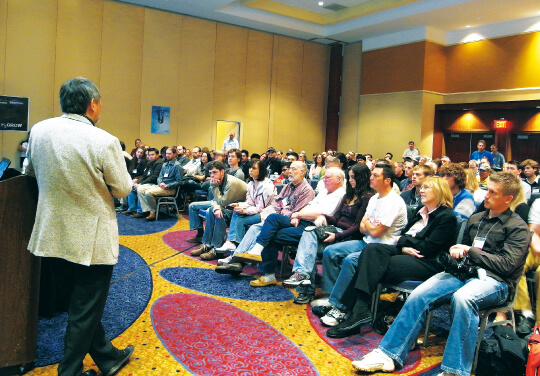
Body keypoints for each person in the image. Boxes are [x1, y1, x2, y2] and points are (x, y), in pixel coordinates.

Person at [352, 172, 530, 376]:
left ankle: (455, 370)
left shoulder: (517, 227)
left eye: (492, 192)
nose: (485, 195)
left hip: (495, 281)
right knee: (420, 294)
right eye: (486, 189)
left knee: (463, 298)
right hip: (464, 272)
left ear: (508, 198)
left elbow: (507, 265)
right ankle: (388, 355)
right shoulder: (477, 218)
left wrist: (470, 251)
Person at [25, 77, 134, 376]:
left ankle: (108, 357)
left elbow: (29, 172)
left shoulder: (39, 130)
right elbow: (123, 189)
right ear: (93, 104)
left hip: (51, 233)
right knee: (84, 307)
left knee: (82, 303)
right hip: (91, 239)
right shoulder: (104, 140)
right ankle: (69, 371)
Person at [323, 176, 457, 338]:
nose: (421, 190)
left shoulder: (446, 217)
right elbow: (406, 238)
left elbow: (427, 247)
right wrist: (404, 245)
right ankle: (358, 309)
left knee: (370, 265)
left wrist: (402, 242)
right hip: (407, 253)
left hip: (427, 262)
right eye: (422, 187)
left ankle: (351, 310)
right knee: (371, 250)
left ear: (440, 191)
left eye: (426, 188)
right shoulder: (419, 212)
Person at [312, 163, 408, 326]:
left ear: (387, 180)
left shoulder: (394, 202)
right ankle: (333, 296)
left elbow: (376, 232)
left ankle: (340, 307)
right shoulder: (374, 198)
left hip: (382, 250)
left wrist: (369, 225)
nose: (371, 177)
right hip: (366, 242)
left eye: (376, 175)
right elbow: (364, 228)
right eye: (371, 174)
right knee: (331, 252)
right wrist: (371, 225)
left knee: (350, 261)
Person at [232, 167, 346, 288]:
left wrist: (298, 214)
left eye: (327, 177)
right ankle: (257, 252)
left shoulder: (339, 195)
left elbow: (323, 213)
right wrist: (298, 215)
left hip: (312, 229)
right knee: (272, 218)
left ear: (338, 179)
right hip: (301, 220)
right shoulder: (323, 192)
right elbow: (307, 207)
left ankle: (267, 271)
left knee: (270, 234)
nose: (324, 179)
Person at [283, 163, 375, 301]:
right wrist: (322, 216)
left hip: (348, 236)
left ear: (362, 178)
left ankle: (305, 285)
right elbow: (336, 218)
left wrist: (337, 236)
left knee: (310, 241)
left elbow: (356, 226)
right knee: (309, 237)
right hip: (335, 230)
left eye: (353, 177)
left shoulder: (368, 198)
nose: (350, 180)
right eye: (349, 177)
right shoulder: (348, 196)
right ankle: (303, 277)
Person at [215, 159, 277, 255]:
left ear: (261, 170)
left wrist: (245, 211)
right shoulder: (251, 184)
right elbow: (249, 202)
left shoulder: (267, 186)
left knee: (240, 219)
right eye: (250, 168)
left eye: (254, 168)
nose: (250, 170)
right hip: (256, 211)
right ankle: (232, 245)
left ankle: (235, 247)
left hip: (265, 215)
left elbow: (260, 208)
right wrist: (238, 205)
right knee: (236, 212)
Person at [187, 161, 247, 247]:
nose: (212, 175)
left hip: (240, 206)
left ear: (222, 171)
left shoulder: (231, 183)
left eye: (214, 172)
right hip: (226, 202)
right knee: (193, 206)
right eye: (210, 173)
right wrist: (217, 207)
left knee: (212, 211)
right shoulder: (219, 180)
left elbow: (224, 202)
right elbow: (216, 199)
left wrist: (214, 187)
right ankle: (202, 238)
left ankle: (215, 245)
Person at [137, 147, 183, 221]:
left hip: (170, 189)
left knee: (148, 193)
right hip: (161, 186)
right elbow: (159, 177)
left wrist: (168, 185)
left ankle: (153, 212)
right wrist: (160, 182)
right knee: (141, 189)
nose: (167, 155)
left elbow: (179, 181)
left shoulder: (178, 166)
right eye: (166, 153)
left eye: (169, 154)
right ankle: (146, 210)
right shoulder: (165, 164)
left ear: (174, 154)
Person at [128, 148, 163, 218]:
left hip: (155, 184)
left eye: (152, 155)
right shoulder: (149, 163)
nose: (150, 156)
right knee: (131, 186)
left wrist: (140, 184)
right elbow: (144, 175)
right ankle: (132, 208)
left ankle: (141, 211)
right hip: (147, 183)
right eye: (149, 155)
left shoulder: (159, 163)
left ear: (157, 155)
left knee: (139, 188)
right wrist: (138, 182)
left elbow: (154, 177)